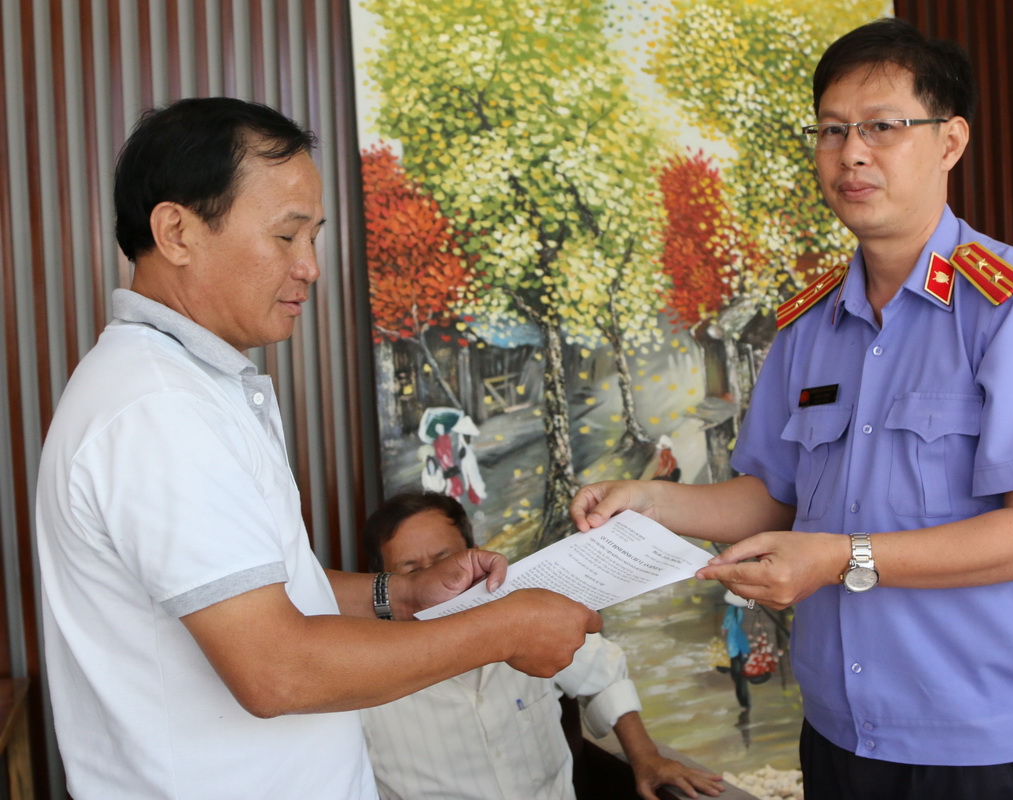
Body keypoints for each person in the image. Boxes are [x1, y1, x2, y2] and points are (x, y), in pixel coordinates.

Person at [571, 18, 1013, 800]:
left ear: (950, 142)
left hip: (973, 731)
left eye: (882, 127)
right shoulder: (809, 326)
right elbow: (773, 496)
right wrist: (648, 501)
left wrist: (837, 558)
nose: (852, 153)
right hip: (838, 722)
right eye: (832, 131)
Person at [34, 97, 600, 800]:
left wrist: (401, 594)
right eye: (286, 236)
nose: (309, 267)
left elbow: (254, 590)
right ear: (177, 231)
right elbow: (276, 670)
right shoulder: (158, 409)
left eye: (314, 237)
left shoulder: (185, 385)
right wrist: (503, 630)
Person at [359, 491, 724, 800]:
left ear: (475, 554)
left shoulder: (529, 617)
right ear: (383, 582)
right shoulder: (362, 673)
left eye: (444, 559)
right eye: (411, 571)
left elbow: (605, 676)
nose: (434, 578)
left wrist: (647, 758)